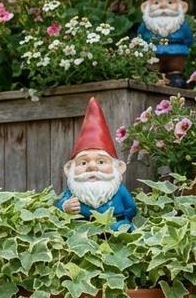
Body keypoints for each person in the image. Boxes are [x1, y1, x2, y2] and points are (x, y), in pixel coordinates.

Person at [55, 97, 136, 231]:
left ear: (119, 167)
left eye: (101, 161)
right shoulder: (73, 192)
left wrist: (124, 220)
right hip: (83, 229)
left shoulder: (120, 191)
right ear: (69, 169)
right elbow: (60, 205)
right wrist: (65, 206)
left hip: (115, 227)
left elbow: (131, 209)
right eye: (83, 162)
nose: (92, 167)